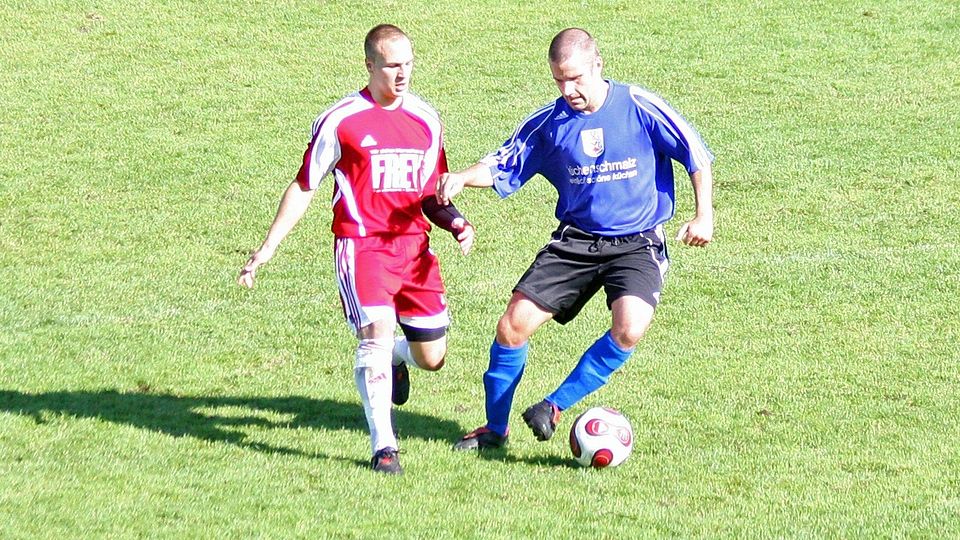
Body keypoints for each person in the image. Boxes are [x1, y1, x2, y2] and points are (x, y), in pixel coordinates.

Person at [439, 28, 714, 451]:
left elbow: (695, 153)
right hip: (576, 243)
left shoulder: (639, 106)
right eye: (559, 81)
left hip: (637, 243)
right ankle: (494, 430)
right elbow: (501, 164)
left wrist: (703, 215)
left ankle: (553, 406)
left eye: (576, 79)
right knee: (512, 327)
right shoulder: (550, 123)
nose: (568, 90)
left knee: (630, 328)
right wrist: (461, 178)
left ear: (598, 66)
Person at [238, 24, 474, 474]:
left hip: (414, 251)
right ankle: (384, 446)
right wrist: (268, 247)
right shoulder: (341, 120)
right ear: (370, 66)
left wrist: (455, 221)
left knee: (433, 357)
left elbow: (430, 193)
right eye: (392, 65)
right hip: (362, 247)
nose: (402, 74)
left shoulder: (427, 118)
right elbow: (305, 185)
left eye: (408, 63)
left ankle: (397, 361)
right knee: (375, 334)